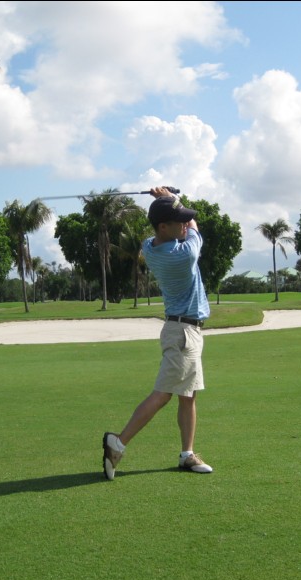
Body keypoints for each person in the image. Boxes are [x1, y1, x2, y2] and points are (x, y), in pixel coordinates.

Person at [103, 186, 213, 480]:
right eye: (177, 220)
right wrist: (171, 198)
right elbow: (194, 228)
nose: (184, 223)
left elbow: (178, 225)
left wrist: (166, 202)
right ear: (164, 226)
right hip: (183, 333)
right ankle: (118, 442)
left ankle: (187, 454)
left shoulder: (149, 248)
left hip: (183, 330)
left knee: (187, 396)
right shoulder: (185, 254)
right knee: (164, 394)